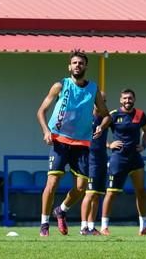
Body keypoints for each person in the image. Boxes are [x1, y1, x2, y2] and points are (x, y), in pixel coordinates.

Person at [36, 50, 110, 237]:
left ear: (86, 66)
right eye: (74, 63)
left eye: (81, 63)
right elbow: (41, 111)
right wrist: (46, 131)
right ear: (69, 66)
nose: (78, 65)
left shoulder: (93, 89)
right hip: (59, 140)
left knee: (80, 187)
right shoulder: (61, 86)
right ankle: (44, 224)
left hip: (82, 143)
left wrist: (101, 126)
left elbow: (106, 114)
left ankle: (61, 210)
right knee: (52, 183)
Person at [100, 88, 146, 236]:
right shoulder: (113, 115)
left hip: (135, 159)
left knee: (141, 192)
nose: (127, 101)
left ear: (134, 99)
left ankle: (143, 227)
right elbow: (97, 132)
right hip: (118, 159)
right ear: (120, 100)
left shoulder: (140, 115)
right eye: (125, 98)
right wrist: (109, 145)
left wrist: (144, 145)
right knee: (111, 193)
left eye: (130, 98)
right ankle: (104, 227)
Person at [80, 91, 108, 235]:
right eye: (99, 100)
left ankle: (91, 226)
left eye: (104, 100)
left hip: (102, 159)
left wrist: (109, 145)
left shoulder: (106, 118)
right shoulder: (85, 117)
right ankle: (83, 226)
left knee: (97, 194)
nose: (102, 103)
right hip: (90, 160)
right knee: (89, 193)